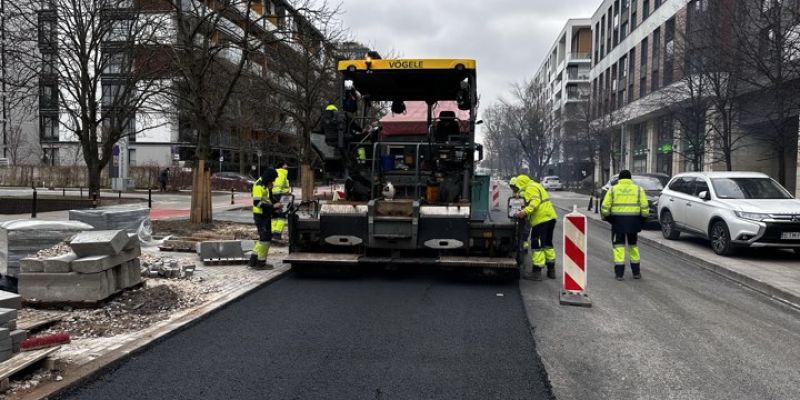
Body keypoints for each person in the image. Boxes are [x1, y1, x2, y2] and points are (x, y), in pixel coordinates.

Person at [601, 170, 649, 280]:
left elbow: (605, 208)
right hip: (633, 223)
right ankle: (636, 273)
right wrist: (642, 220)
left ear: (619, 179)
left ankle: (619, 274)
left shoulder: (613, 190)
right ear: (630, 178)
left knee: (619, 248)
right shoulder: (638, 189)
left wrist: (608, 217)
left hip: (618, 224)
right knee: (633, 247)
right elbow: (645, 209)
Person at [513, 174, 558, 280]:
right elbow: (533, 196)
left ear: (521, 183)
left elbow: (535, 201)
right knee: (548, 243)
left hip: (541, 219)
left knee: (536, 244)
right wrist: (520, 194)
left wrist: (524, 211)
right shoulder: (536, 185)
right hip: (550, 217)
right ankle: (551, 270)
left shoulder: (530, 188)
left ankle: (536, 272)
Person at [249, 168, 283, 269]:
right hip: (260, 215)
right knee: (265, 239)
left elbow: (269, 198)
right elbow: (257, 203)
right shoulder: (258, 185)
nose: (273, 182)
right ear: (269, 177)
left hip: (265, 214)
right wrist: (273, 207)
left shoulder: (265, 184)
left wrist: (275, 206)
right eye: (272, 179)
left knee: (263, 238)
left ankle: (253, 260)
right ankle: (261, 263)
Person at [271, 162, 291, 240]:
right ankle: (277, 234)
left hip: (276, 196)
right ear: (281, 166)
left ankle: (273, 233)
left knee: (275, 215)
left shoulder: (276, 173)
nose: (287, 166)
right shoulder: (282, 172)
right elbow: (280, 186)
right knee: (282, 215)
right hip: (282, 196)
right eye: (285, 165)